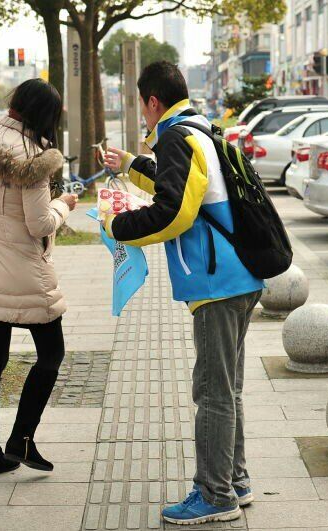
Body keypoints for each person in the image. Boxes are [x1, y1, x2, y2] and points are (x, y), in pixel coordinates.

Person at [102, 61, 264, 525]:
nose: (144, 114)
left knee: (212, 392)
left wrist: (117, 226)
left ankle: (215, 495)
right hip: (239, 275)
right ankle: (235, 480)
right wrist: (131, 166)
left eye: (142, 106)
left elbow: (174, 212)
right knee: (227, 389)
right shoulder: (200, 128)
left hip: (216, 283)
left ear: (153, 101)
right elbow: (180, 184)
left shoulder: (177, 136)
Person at [0, 79, 78, 478]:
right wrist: (64, 205)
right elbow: (38, 223)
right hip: (23, 271)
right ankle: (21, 438)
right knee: (51, 353)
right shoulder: (33, 159)